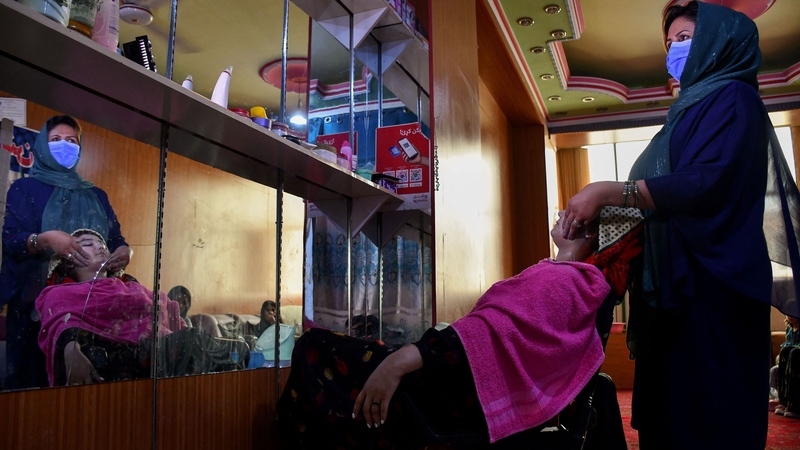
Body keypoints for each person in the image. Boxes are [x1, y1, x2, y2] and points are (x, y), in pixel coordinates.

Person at [560, 2, 800, 448]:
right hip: (672, 292)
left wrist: (611, 192)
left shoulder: (733, 97)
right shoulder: (682, 114)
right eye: (669, 43)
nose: (673, 50)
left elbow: (705, 183)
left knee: (708, 417)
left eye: (686, 39)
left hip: (710, 289)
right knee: (670, 418)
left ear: (717, 41)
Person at [277, 207, 644, 448]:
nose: (563, 212)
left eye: (574, 212)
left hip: (456, 394)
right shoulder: (578, 282)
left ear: (590, 233)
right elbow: (495, 334)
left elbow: (491, 332)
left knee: (311, 347)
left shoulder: (564, 279)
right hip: (461, 380)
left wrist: (405, 358)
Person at [0, 115, 132, 389]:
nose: (64, 146)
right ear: (43, 146)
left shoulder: (97, 195)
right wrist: (45, 239)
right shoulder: (24, 189)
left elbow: (116, 238)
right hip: (34, 309)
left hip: (93, 309)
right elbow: (12, 241)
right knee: (32, 392)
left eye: (71, 141)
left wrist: (124, 251)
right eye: (56, 140)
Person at [36, 229, 246, 386]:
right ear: (69, 261)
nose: (101, 247)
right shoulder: (59, 293)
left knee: (236, 350)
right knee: (194, 342)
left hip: (157, 355)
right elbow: (60, 326)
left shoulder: (132, 289)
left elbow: (168, 312)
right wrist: (71, 348)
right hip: (117, 364)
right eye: (88, 243)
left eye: (103, 244)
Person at [774, 316, 800, 418]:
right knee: (785, 351)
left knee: (794, 353)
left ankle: (795, 405)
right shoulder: (789, 328)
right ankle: (784, 401)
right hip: (793, 353)